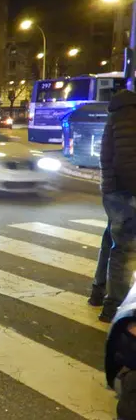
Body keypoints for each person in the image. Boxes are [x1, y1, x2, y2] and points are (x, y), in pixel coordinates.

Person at [91, 89, 136, 322]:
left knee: (111, 240)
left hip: (114, 190)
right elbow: (127, 161)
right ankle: (114, 306)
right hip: (127, 191)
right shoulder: (130, 114)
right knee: (125, 250)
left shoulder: (119, 113)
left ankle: (98, 292)